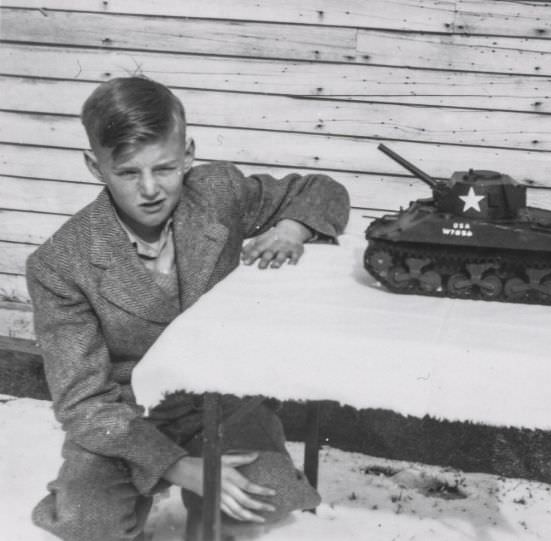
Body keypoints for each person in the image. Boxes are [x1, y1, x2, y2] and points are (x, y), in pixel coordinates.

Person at [26, 76, 350, 541]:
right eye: (127, 173)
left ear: (189, 155)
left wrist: (292, 229)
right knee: (88, 523)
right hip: (127, 420)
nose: (150, 189)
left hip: (221, 403)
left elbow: (321, 190)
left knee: (260, 501)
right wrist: (181, 468)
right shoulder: (59, 263)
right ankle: (122, 490)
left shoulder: (218, 192)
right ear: (95, 167)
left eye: (166, 168)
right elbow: (84, 403)